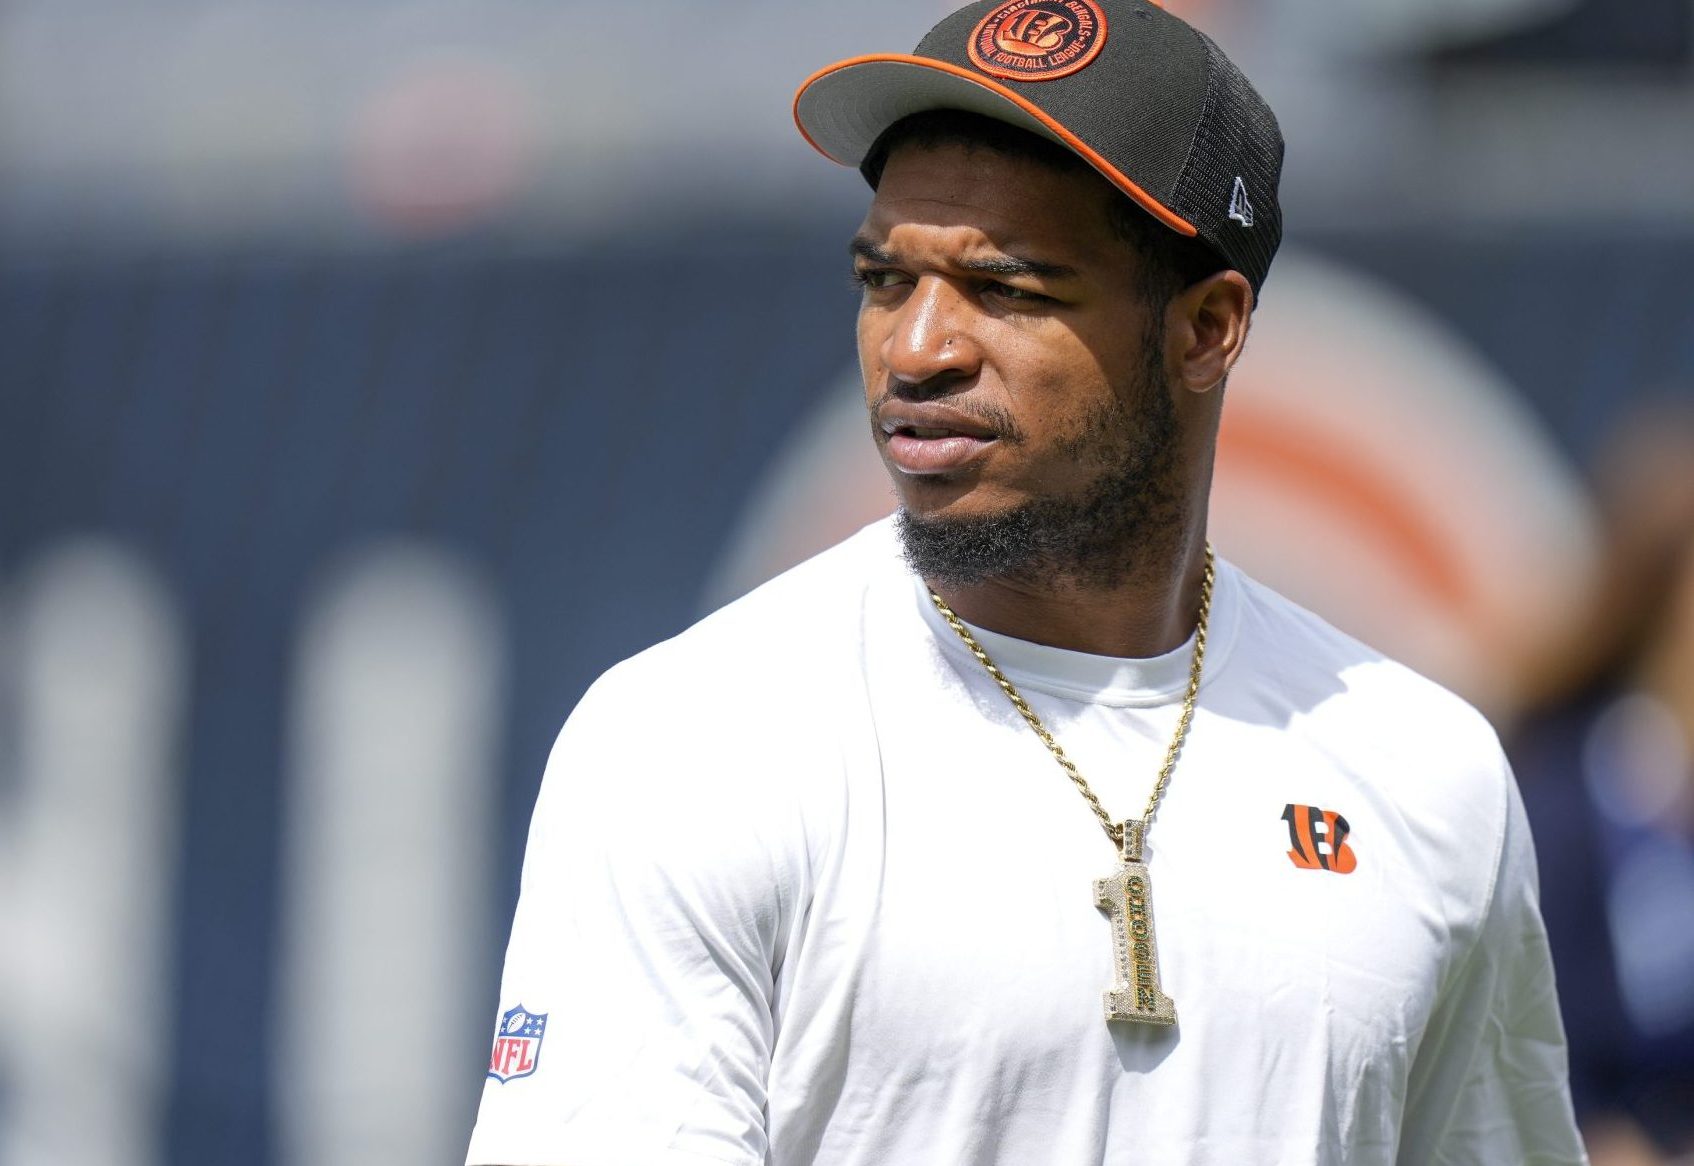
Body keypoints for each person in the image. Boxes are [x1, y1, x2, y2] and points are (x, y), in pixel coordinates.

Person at [466, 1, 1587, 1162]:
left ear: (1206, 328)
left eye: (1005, 287)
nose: (916, 349)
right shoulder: (691, 741)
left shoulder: (1426, 775)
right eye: (884, 279)